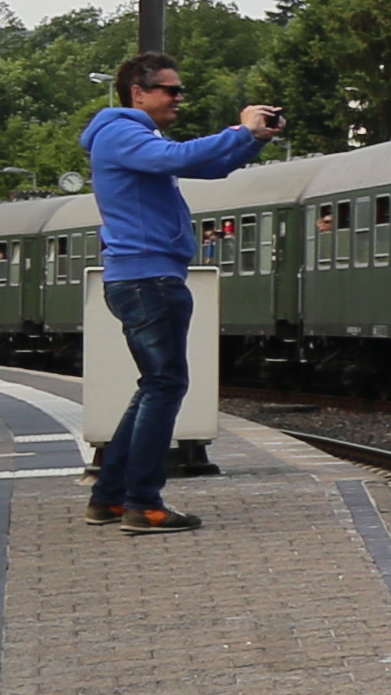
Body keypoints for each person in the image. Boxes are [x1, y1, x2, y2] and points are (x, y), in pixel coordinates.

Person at [81, 56, 280, 533]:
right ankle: (143, 504)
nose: (178, 98)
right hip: (148, 279)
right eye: (170, 89)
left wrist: (253, 140)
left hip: (145, 277)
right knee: (165, 385)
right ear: (138, 92)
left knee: (156, 384)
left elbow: (209, 168)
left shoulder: (134, 137)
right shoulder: (121, 132)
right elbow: (179, 159)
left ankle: (109, 497)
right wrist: (239, 130)